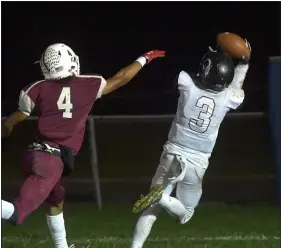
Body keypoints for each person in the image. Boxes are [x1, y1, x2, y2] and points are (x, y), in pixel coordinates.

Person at [1, 43, 165, 248]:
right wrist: (145, 58)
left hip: (36, 155)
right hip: (50, 161)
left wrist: (5, 135)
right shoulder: (89, 84)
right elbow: (121, 78)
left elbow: (11, 121)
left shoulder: (36, 88)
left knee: (56, 199)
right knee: (17, 213)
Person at [130, 41, 251, 248]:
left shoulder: (186, 83)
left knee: (151, 209)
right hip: (197, 161)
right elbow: (236, 85)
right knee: (185, 213)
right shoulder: (229, 98)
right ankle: (163, 199)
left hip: (172, 152)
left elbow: (176, 72)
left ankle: (137, 243)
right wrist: (244, 62)